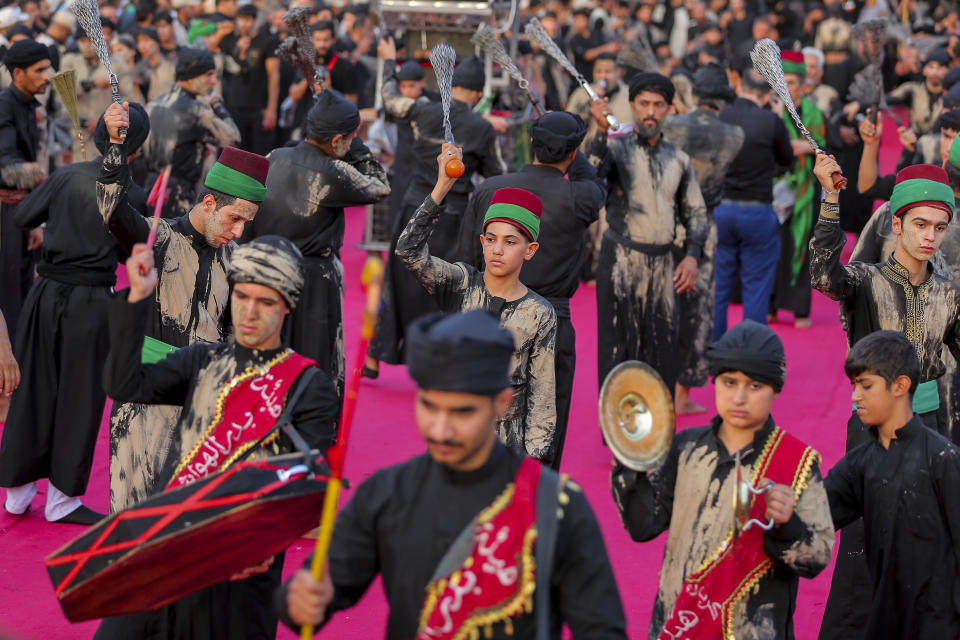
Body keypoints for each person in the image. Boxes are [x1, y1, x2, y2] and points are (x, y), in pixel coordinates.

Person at [280, 310, 627, 639]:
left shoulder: (556, 506)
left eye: (462, 412)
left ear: (502, 403)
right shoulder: (387, 493)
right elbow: (316, 592)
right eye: (429, 406)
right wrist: (302, 598)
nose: (441, 430)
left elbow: (602, 629)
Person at [94, 236, 339, 640]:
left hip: (239, 567)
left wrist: (259, 542)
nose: (249, 312)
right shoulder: (203, 360)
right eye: (242, 296)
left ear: (288, 305)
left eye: (266, 302)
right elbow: (124, 384)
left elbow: (310, 488)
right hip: (165, 547)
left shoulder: (308, 385)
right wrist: (137, 298)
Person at [810, 157, 960, 640]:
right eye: (920, 224)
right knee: (863, 541)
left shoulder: (949, 292)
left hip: (932, 429)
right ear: (895, 224)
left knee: (928, 540)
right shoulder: (867, 279)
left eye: (940, 226)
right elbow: (823, 276)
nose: (930, 236)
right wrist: (831, 200)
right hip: (873, 432)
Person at [611, 319, 834, 638]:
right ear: (714, 382)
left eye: (754, 386)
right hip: (681, 624)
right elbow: (643, 525)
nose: (739, 397)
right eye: (729, 382)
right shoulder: (686, 447)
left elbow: (816, 557)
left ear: (776, 389)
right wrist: (629, 463)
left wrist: (787, 525)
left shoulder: (797, 462)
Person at [98, 100, 270, 512]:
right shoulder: (160, 237)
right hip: (146, 400)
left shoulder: (236, 258)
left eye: (247, 222)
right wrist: (115, 142)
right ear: (209, 203)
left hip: (203, 407)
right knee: (134, 520)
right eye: (234, 218)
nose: (239, 230)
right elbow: (113, 210)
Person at [0, 107, 149, 524]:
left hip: (44, 293)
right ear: (135, 147)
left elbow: (23, 217)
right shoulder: (130, 192)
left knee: (32, 389)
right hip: (90, 300)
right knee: (80, 397)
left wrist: (63, 217)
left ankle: (17, 491)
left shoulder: (66, 176)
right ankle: (62, 500)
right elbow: (133, 250)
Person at [456, 112, 605, 468]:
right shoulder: (580, 196)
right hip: (551, 323)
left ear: (533, 145)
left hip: (489, 320)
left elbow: (462, 259)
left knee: (478, 420)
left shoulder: (491, 187)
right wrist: (574, 148)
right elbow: (592, 180)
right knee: (544, 427)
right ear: (573, 153)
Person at [397, 143, 557, 464]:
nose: (498, 249)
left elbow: (542, 400)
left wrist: (531, 467)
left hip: (507, 448)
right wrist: (442, 187)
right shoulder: (460, 282)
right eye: (491, 239)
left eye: (510, 242)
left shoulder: (539, 313)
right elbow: (408, 252)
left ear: (530, 249)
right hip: (453, 433)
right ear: (481, 242)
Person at [367, 37, 504, 373]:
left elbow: (389, 99)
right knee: (444, 286)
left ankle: (375, 355)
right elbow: (495, 176)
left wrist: (389, 64)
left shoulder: (420, 110)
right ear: (476, 94)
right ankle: (438, 355)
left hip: (414, 207)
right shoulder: (482, 128)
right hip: (452, 218)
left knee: (397, 281)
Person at [248, 90, 390, 400]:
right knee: (315, 360)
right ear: (337, 139)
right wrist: (360, 146)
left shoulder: (275, 156)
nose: (353, 143)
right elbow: (380, 185)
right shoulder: (333, 172)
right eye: (351, 138)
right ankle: (312, 431)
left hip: (264, 270)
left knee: (267, 357)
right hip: (312, 279)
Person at [824, 330, 960, 638]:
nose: (854, 396)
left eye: (866, 385)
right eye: (854, 385)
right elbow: (816, 513)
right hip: (885, 617)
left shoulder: (943, 459)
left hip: (940, 624)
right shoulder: (859, 464)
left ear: (900, 385)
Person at [585, 71, 708, 394]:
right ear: (632, 106)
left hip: (665, 266)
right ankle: (621, 437)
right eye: (644, 104)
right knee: (617, 351)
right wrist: (599, 133)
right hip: (619, 263)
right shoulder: (614, 149)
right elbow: (589, 183)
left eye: (658, 104)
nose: (651, 112)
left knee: (663, 353)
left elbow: (696, 212)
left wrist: (693, 256)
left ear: (669, 108)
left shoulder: (679, 159)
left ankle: (657, 439)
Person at [662, 61, 744, 414]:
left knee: (662, 304)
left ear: (695, 94)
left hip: (668, 221)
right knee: (697, 312)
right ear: (723, 99)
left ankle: (658, 387)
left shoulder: (671, 126)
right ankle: (682, 396)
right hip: (704, 224)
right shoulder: (734, 135)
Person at [714, 68, 794, 339]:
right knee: (756, 291)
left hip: (722, 209)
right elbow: (787, 161)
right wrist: (780, 118)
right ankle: (751, 357)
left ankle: (713, 349)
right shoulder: (770, 121)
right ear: (769, 94)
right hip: (757, 211)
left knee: (719, 289)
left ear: (740, 87)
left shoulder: (722, 115)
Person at [140, 47, 241, 218]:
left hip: (151, 189)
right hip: (179, 194)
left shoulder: (153, 104)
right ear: (191, 76)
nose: (214, 81)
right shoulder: (196, 110)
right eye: (208, 75)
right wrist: (218, 105)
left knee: (154, 240)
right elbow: (233, 138)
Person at [0, 39, 50, 380]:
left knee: (20, 286)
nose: (48, 76)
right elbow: (7, 165)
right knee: (8, 295)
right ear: (18, 74)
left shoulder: (26, 102)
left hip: (19, 214)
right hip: (5, 217)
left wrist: (34, 218)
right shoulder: (5, 106)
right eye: (40, 71)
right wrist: (42, 178)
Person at [769, 49, 826, 328]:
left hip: (806, 189)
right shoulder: (773, 110)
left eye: (793, 82)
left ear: (804, 85)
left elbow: (823, 148)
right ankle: (771, 305)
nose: (788, 87)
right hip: (776, 187)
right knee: (773, 245)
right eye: (784, 81)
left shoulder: (814, 112)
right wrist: (804, 146)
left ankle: (800, 309)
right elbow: (777, 146)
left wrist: (802, 147)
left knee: (803, 244)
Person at [60, 27, 136, 160]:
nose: (87, 45)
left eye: (91, 40)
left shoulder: (116, 62)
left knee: (107, 169)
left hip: (109, 129)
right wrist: (91, 83)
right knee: (80, 170)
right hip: (78, 130)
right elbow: (64, 90)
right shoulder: (70, 61)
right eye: (82, 41)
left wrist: (103, 118)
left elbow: (127, 97)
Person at [220, 4, 280, 155]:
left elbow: (274, 76)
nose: (243, 24)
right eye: (240, 19)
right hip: (233, 105)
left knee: (260, 154)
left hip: (258, 107)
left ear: (255, 21)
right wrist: (236, 47)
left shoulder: (267, 41)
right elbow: (210, 48)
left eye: (248, 20)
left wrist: (271, 109)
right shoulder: (229, 40)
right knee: (236, 152)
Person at [887, 47, 948, 137]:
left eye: (939, 67)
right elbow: (885, 100)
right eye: (931, 67)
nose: (935, 72)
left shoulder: (952, 95)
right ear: (924, 70)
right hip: (914, 144)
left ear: (947, 70)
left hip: (941, 146)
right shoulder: (912, 89)